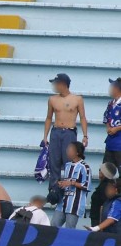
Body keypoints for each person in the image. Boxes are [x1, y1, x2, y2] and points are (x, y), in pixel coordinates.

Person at [43, 74, 89, 202]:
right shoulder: (52, 99)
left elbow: (83, 117)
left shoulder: (77, 99)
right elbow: (48, 118)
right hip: (56, 131)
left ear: (63, 84)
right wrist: (45, 136)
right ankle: (54, 190)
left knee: (68, 160)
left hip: (69, 131)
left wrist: (85, 135)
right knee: (54, 161)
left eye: (57, 83)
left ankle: (68, 188)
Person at [52, 141, 91, 229]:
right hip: (62, 203)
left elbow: (87, 185)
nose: (67, 151)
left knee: (69, 228)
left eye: (70, 149)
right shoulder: (67, 165)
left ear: (77, 152)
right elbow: (66, 181)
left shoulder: (85, 167)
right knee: (53, 225)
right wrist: (61, 183)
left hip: (75, 205)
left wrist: (72, 183)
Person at [102, 78, 121, 167]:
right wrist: (108, 127)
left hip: (119, 143)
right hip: (110, 142)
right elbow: (106, 117)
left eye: (112, 86)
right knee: (107, 170)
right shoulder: (110, 103)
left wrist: (117, 128)